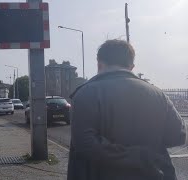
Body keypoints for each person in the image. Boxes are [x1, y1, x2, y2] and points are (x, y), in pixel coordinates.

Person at [67, 39, 186, 180]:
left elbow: (85, 144)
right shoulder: (158, 95)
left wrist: (132, 156)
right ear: (131, 66)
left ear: (99, 63)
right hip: (154, 173)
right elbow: (178, 136)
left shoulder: (84, 94)